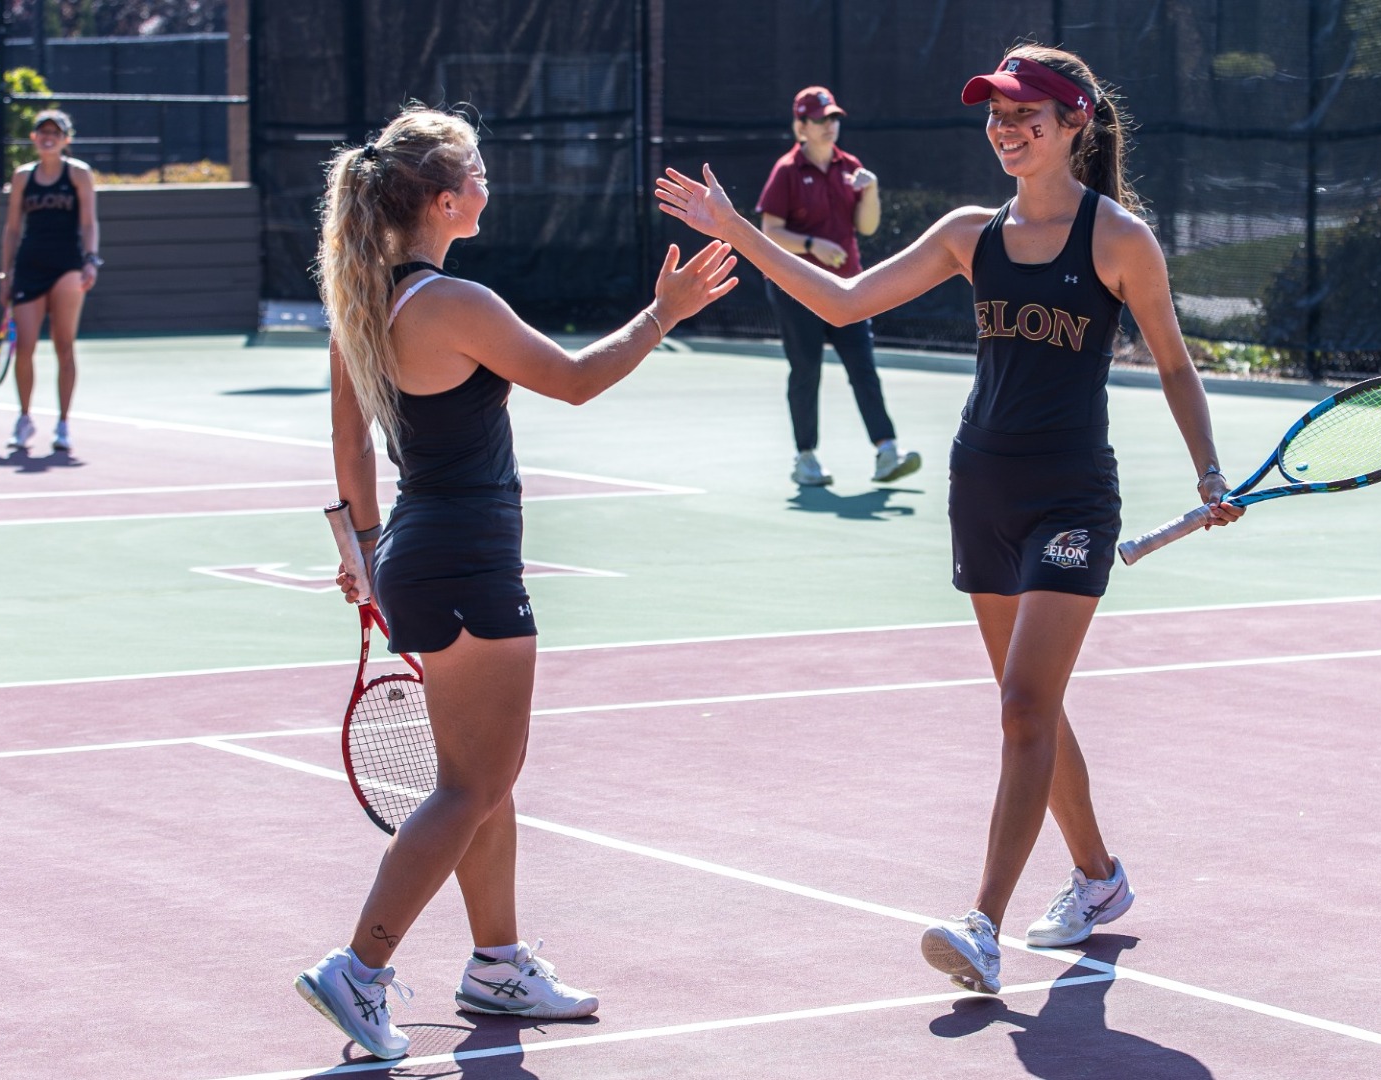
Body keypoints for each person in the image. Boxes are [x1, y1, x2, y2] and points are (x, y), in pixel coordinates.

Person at [658, 44, 1245, 993]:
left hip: (1072, 499)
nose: (1007, 131)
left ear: (1074, 127)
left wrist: (1208, 470)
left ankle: (983, 923)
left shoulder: (1120, 240)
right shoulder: (971, 232)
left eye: (1027, 117)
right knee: (1033, 705)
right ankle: (1099, 879)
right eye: (997, 116)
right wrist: (736, 227)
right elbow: (844, 303)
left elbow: (1173, 363)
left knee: (1022, 707)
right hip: (982, 493)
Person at [297, 106, 737, 1060]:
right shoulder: (454, 304)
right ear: (446, 201)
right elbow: (575, 380)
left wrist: (366, 554)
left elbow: (347, 446)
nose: (490, 184)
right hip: (467, 557)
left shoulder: (365, 302)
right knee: (474, 786)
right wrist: (664, 314)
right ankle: (359, 969)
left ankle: (495, 960)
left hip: (424, 549)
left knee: (482, 779)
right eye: (480, 173)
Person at [756, 86, 920, 487]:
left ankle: (887, 452)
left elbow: (866, 227)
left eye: (833, 119)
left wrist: (872, 191)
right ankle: (805, 457)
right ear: (801, 127)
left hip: (848, 288)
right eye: (820, 120)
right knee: (806, 369)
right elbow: (770, 231)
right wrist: (813, 245)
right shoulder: (787, 171)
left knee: (863, 367)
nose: (830, 126)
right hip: (797, 289)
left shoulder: (851, 166)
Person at [0, 109, 99, 453]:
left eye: (55, 132)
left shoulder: (78, 175)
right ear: (34, 137)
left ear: (66, 139)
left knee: (64, 345)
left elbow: (88, 223)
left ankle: (63, 423)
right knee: (24, 347)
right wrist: (5, 272)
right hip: (30, 265)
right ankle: (25, 417)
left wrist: (90, 260)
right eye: (43, 132)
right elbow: (12, 228)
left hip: (67, 265)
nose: (48, 137)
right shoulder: (24, 177)